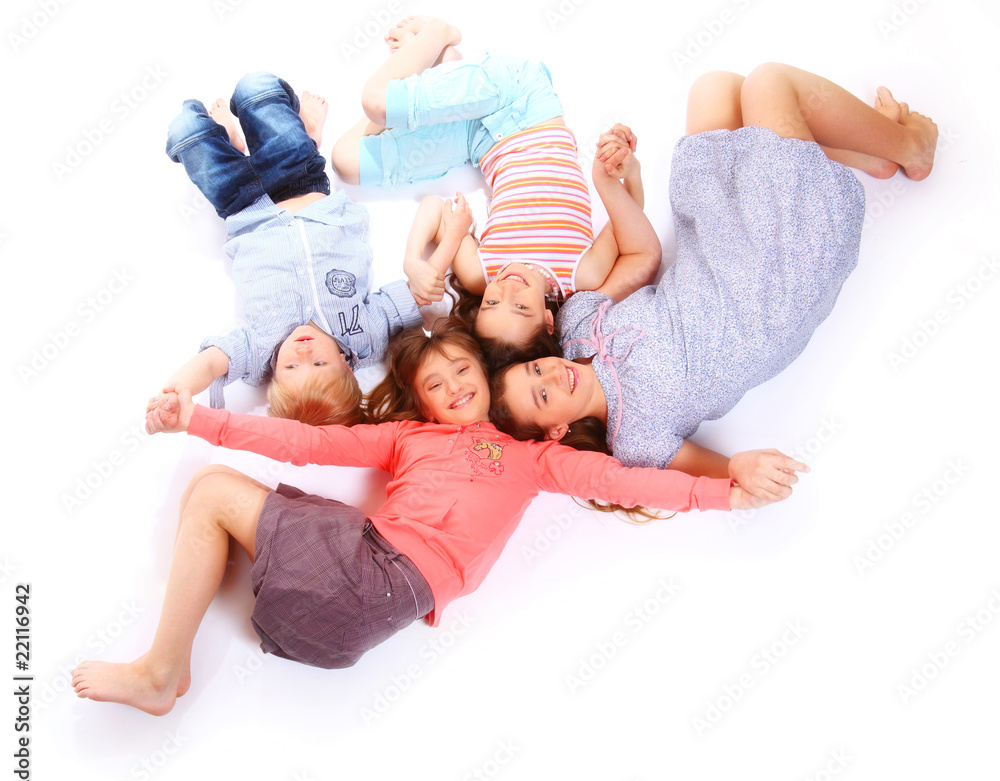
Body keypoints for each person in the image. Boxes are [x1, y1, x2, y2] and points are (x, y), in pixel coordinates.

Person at [72, 318, 781, 717]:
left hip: (377, 592)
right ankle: (163, 668)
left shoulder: (535, 458)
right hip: (358, 581)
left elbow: (624, 481)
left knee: (211, 492)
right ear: (423, 404)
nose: (454, 387)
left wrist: (727, 488)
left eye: (463, 370)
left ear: (488, 371)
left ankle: (162, 671)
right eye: (435, 386)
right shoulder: (406, 438)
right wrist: (196, 418)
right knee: (211, 489)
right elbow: (308, 444)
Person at [489, 63, 938, 497]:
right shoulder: (634, 438)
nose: (549, 373)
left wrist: (614, 184)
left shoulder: (576, 330)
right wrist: (738, 469)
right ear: (556, 430)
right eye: (542, 394)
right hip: (773, 286)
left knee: (715, 88)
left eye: (534, 369)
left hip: (718, 248)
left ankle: (866, 153)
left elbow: (642, 258)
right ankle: (910, 147)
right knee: (769, 82)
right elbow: (712, 475)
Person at [329, 16, 661, 361]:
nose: (507, 286)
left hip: (479, 142)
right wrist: (626, 167)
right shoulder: (581, 272)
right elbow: (630, 217)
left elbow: (437, 209)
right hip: (522, 105)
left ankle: (440, 69)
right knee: (378, 103)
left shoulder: (480, 274)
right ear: (549, 321)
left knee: (346, 161)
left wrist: (415, 261)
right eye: (520, 306)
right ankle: (438, 42)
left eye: (491, 303)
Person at [161, 71, 425, 426]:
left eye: (290, 366)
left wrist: (178, 388)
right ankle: (306, 132)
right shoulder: (365, 336)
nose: (303, 352)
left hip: (243, 206)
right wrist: (428, 280)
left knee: (185, 132)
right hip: (300, 183)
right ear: (347, 365)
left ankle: (230, 141)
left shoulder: (258, 352)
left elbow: (211, 362)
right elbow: (412, 300)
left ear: (274, 374)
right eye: (319, 363)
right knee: (255, 88)